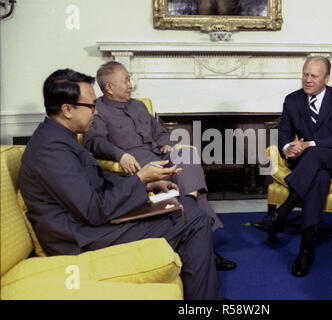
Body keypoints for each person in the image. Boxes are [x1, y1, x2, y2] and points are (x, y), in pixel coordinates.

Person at [18, 68, 222, 300]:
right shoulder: (50, 149)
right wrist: (139, 179)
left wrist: (147, 187)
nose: (95, 112)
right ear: (67, 110)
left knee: (184, 203)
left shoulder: (60, 138)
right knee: (192, 218)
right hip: (79, 236)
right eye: (91, 106)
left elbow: (99, 180)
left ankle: (202, 294)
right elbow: (93, 210)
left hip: (91, 222)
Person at [82, 61, 236, 271]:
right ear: (109, 87)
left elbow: (160, 131)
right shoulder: (96, 110)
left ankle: (189, 211)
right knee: (191, 188)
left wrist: (167, 143)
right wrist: (121, 154)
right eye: (126, 80)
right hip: (139, 165)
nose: (130, 85)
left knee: (187, 153)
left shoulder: (139, 105)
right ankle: (205, 246)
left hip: (159, 155)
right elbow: (94, 142)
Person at [252, 56, 332, 277]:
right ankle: (306, 248)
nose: (308, 80)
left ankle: (282, 213)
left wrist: (307, 145)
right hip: (313, 166)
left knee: (313, 154)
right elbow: (284, 133)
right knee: (319, 178)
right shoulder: (292, 100)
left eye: (314, 76)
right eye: (305, 74)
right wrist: (287, 149)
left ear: (327, 78)